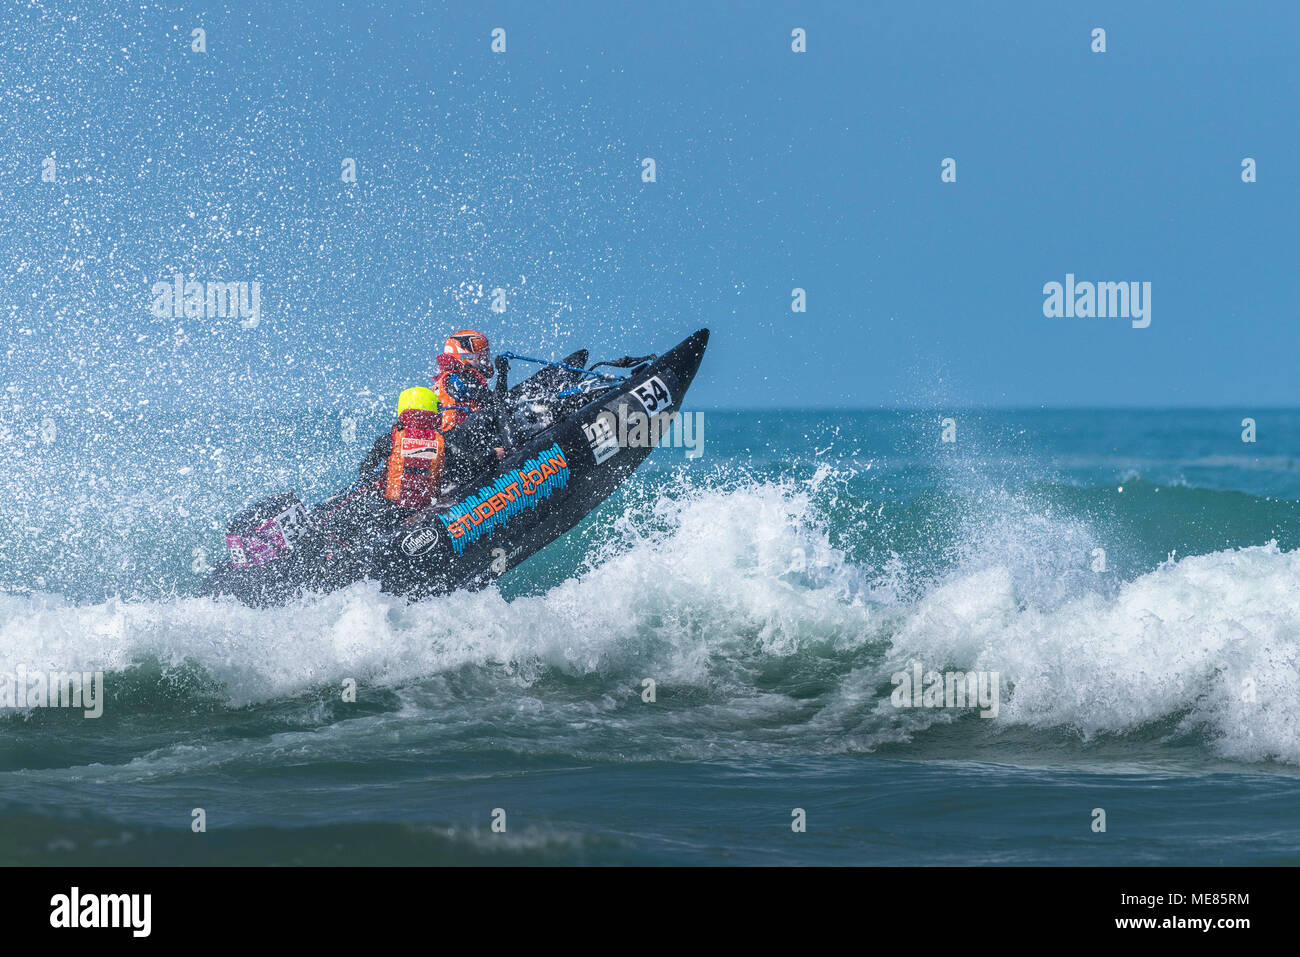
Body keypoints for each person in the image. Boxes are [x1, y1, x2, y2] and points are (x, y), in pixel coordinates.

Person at [432, 329, 511, 489]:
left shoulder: (446, 379)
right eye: (481, 354)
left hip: (451, 445)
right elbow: (495, 404)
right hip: (458, 439)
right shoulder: (461, 376)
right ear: (465, 354)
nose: (484, 359)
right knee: (490, 413)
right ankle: (511, 447)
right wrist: (502, 374)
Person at [358, 387, 445, 509]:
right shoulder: (441, 441)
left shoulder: (390, 439)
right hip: (426, 507)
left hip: (393, 506)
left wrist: (373, 489)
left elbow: (365, 469)